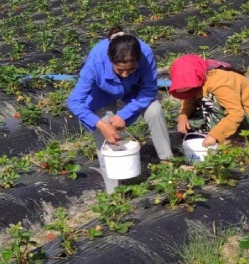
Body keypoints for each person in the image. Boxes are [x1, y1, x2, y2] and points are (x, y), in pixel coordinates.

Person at [66, 27, 172, 192]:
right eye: (119, 69)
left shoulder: (145, 53)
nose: (124, 74)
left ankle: (168, 164)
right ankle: (114, 192)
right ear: (110, 60)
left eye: (130, 69)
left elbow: (149, 90)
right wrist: (101, 125)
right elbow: (74, 101)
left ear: (138, 60)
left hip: (133, 90)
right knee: (105, 130)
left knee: (155, 109)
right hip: (102, 91)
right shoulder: (96, 60)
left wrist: (124, 114)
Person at [169, 55, 249, 147]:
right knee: (189, 123)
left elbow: (236, 113)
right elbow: (190, 99)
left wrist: (215, 136)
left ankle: (230, 138)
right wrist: (183, 115)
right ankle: (226, 132)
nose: (183, 90)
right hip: (227, 111)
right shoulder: (199, 79)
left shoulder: (219, 82)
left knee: (208, 99)